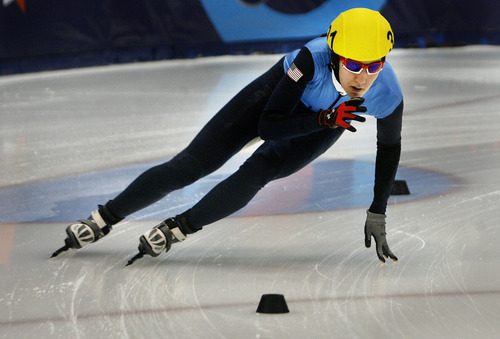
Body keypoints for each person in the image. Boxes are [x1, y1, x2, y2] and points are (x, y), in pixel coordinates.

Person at [51, 8, 403, 265]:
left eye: (375, 65)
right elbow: (269, 126)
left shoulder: (387, 95)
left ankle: (179, 228)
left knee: (257, 173)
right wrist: (325, 118)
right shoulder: (309, 60)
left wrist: (378, 210)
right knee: (188, 167)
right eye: (354, 65)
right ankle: (103, 218)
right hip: (278, 105)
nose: (363, 76)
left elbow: (389, 149)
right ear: (336, 56)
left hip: (325, 121)